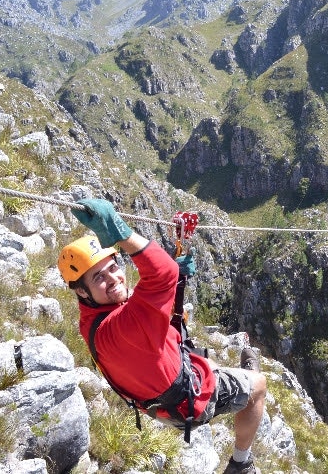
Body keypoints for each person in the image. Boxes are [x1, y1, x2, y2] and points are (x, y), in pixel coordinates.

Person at [58, 198, 266, 474]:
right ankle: (241, 463)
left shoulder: (92, 320)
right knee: (259, 385)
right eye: (99, 277)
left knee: (210, 364)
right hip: (188, 401)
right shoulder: (122, 326)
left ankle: (218, 371)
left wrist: (175, 276)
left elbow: (148, 305)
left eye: (113, 267)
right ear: (81, 291)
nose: (114, 278)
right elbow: (163, 274)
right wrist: (121, 233)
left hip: (159, 398)